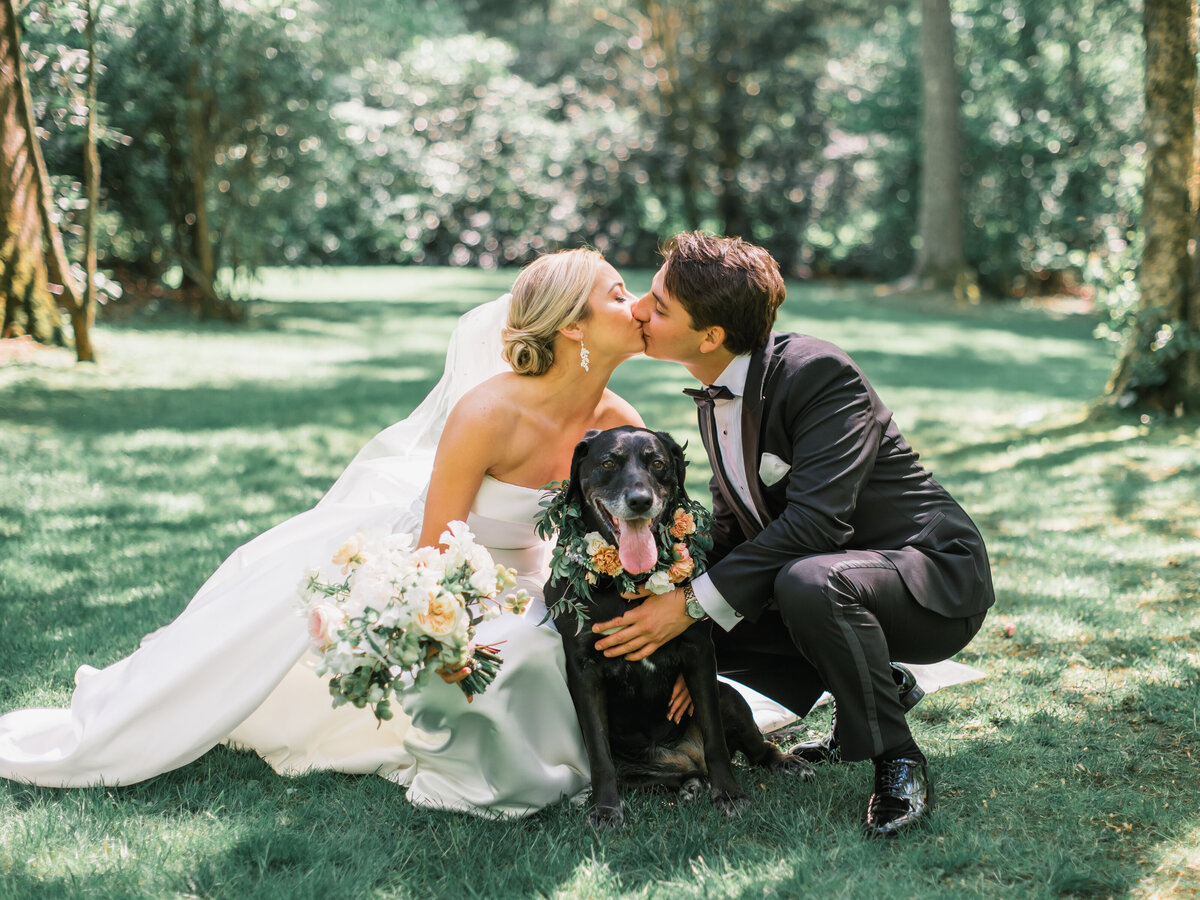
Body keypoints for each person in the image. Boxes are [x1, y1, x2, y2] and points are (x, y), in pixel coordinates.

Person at [0, 248, 652, 817]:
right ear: (572, 325)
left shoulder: (620, 419)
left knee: (556, 639)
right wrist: (460, 614)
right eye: (619, 295)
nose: (641, 303)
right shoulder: (488, 413)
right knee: (521, 651)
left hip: (536, 576)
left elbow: (626, 538)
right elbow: (435, 547)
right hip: (449, 567)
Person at [592, 232, 995, 838]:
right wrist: (673, 605)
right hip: (836, 578)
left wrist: (694, 602)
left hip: (931, 578)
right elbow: (733, 527)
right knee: (689, 628)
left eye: (660, 305)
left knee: (800, 580)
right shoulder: (714, 395)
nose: (640, 312)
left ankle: (899, 762)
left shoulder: (817, 374)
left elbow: (815, 523)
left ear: (710, 337)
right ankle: (877, 681)